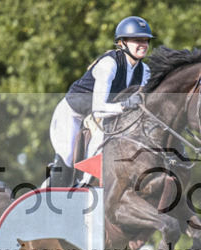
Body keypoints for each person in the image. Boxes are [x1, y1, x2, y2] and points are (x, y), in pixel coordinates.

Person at [48, 16, 155, 187]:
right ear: (122, 43)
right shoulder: (109, 64)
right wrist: (125, 105)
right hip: (72, 114)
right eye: (137, 40)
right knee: (67, 155)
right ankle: (55, 194)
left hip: (104, 117)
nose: (143, 44)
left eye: (146, 40)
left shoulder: (145, 71)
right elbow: (98, 109)